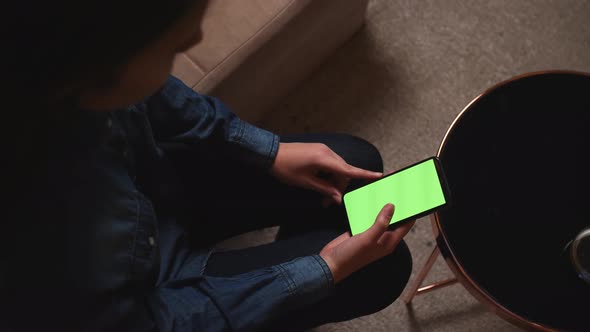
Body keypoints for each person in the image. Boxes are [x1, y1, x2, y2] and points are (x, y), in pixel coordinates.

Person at [2, 1, 413, 331]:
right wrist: (320, 271)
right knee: (383, 270)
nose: (197, 37)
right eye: (173, 47)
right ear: (100, 64)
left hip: (158, 187)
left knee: (353, 165)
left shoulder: (55, 64)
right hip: (156, 292)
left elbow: (153, 97)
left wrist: (266, 150)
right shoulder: (47, 246)